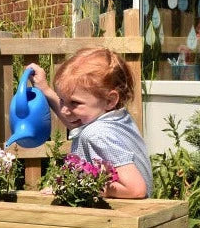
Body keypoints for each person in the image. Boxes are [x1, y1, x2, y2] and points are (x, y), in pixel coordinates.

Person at [28, 47, 152, 198]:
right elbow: (77, 123)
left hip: (119, 217)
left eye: (74, 103)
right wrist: (44, 89)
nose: (65, 110)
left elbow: (135, 189)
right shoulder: (117, 118)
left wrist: (78, 186)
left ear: (110, 100)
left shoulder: (97, 134)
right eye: (62, 100)